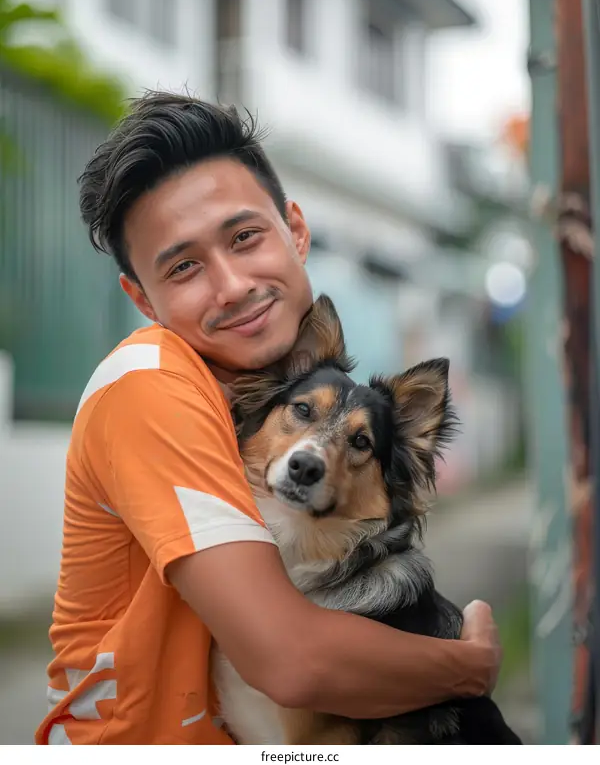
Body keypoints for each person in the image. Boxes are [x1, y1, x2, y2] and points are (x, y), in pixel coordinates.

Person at [36, 92, 502, 745]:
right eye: (185, 266)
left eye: (245, 237)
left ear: (297, 230)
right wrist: (466, 666)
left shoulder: (243, 393)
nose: (231, 285)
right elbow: (292, 660)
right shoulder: (150, 383)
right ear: (141, 298)